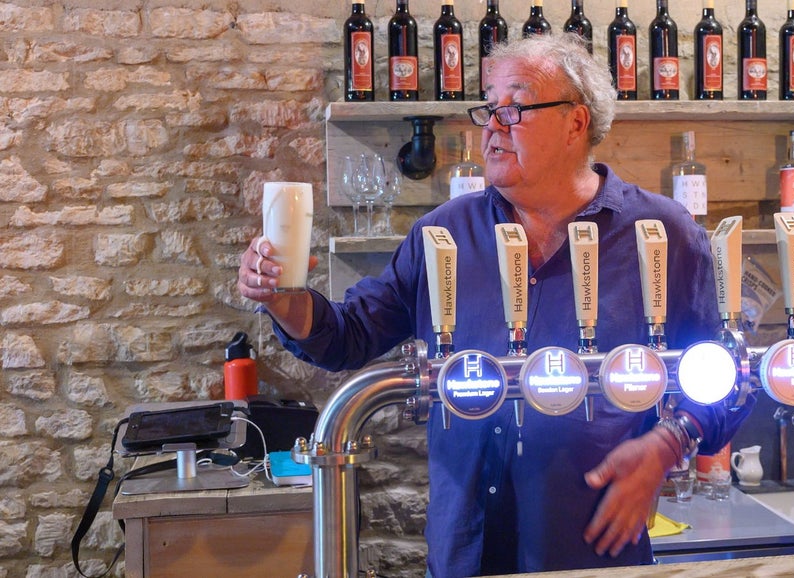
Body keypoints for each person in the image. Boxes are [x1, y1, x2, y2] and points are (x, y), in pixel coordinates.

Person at [238, 33, 754, 577]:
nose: (491, 126)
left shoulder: (661, 232)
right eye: (489, 108)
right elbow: (347, 336)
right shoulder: (443, 234)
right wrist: (283, 297)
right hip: (466, 552)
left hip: (591, 552)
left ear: (576, 123)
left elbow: (729, 377)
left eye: (515, 108)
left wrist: (668, 444)